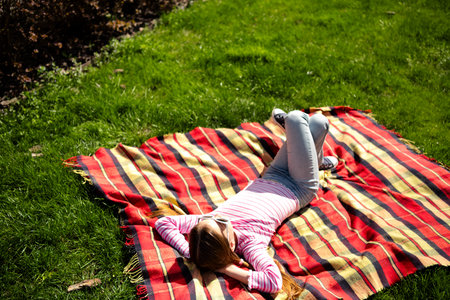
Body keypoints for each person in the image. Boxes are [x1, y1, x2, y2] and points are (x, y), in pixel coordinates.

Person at [155, 109, 338, 299]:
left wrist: (193, 253)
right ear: (231, 244)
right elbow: (274, 282)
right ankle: (312, 162)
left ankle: (314, 161)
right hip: (299, 186)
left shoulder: (207, 228)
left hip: (274, 174)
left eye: (210, 219)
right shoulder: (251, 243)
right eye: (220, 224)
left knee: (312, 125)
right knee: (306, 120)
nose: (216, 217)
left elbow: (163, 223)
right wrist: (226, 268)